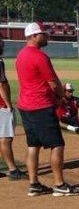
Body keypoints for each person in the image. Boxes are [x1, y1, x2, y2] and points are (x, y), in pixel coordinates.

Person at [15, 21, 79, 196]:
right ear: (34, 36)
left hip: (25, 106)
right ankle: (59, 184)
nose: (47, 36)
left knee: (33, 145)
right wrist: (60, 97)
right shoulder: (40, 56)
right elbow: (54, 83)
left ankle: (34, 184)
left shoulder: (21, 54)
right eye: (43, 34)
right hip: (41, 106)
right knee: (57, 144)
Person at [0, 37, 27, 181]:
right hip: (1, 105)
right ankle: (12, 170)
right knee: (5, 138)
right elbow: (2, 85)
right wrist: (8, 104)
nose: (2, 43)